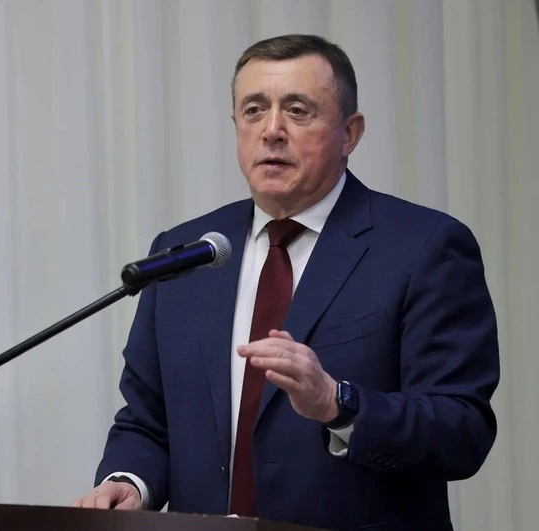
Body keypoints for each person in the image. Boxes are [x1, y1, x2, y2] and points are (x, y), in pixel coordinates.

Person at [72, 34, 499, 531]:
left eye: (297, 111)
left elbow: (461, 430)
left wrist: (337, 403)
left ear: (350, 133)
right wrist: (131, 482)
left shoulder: (424, 247)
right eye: (254, 110)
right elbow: (147, 422)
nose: (271, 130)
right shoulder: (188, 252)